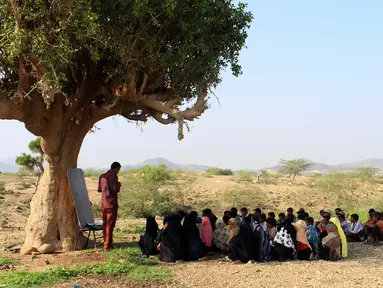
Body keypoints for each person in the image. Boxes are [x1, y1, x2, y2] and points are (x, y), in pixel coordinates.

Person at [99, 162, 121, 250]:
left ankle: (106, 242)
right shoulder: (113, 176)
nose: (118, 171)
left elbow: (99, 189)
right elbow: (115, 189)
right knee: (110, 225)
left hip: (104, 203)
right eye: (118, 169)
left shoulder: (102, 176)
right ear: (116, 168)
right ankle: (107, 245)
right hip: (111, 204)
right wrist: (118, 184)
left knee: (105, 224)